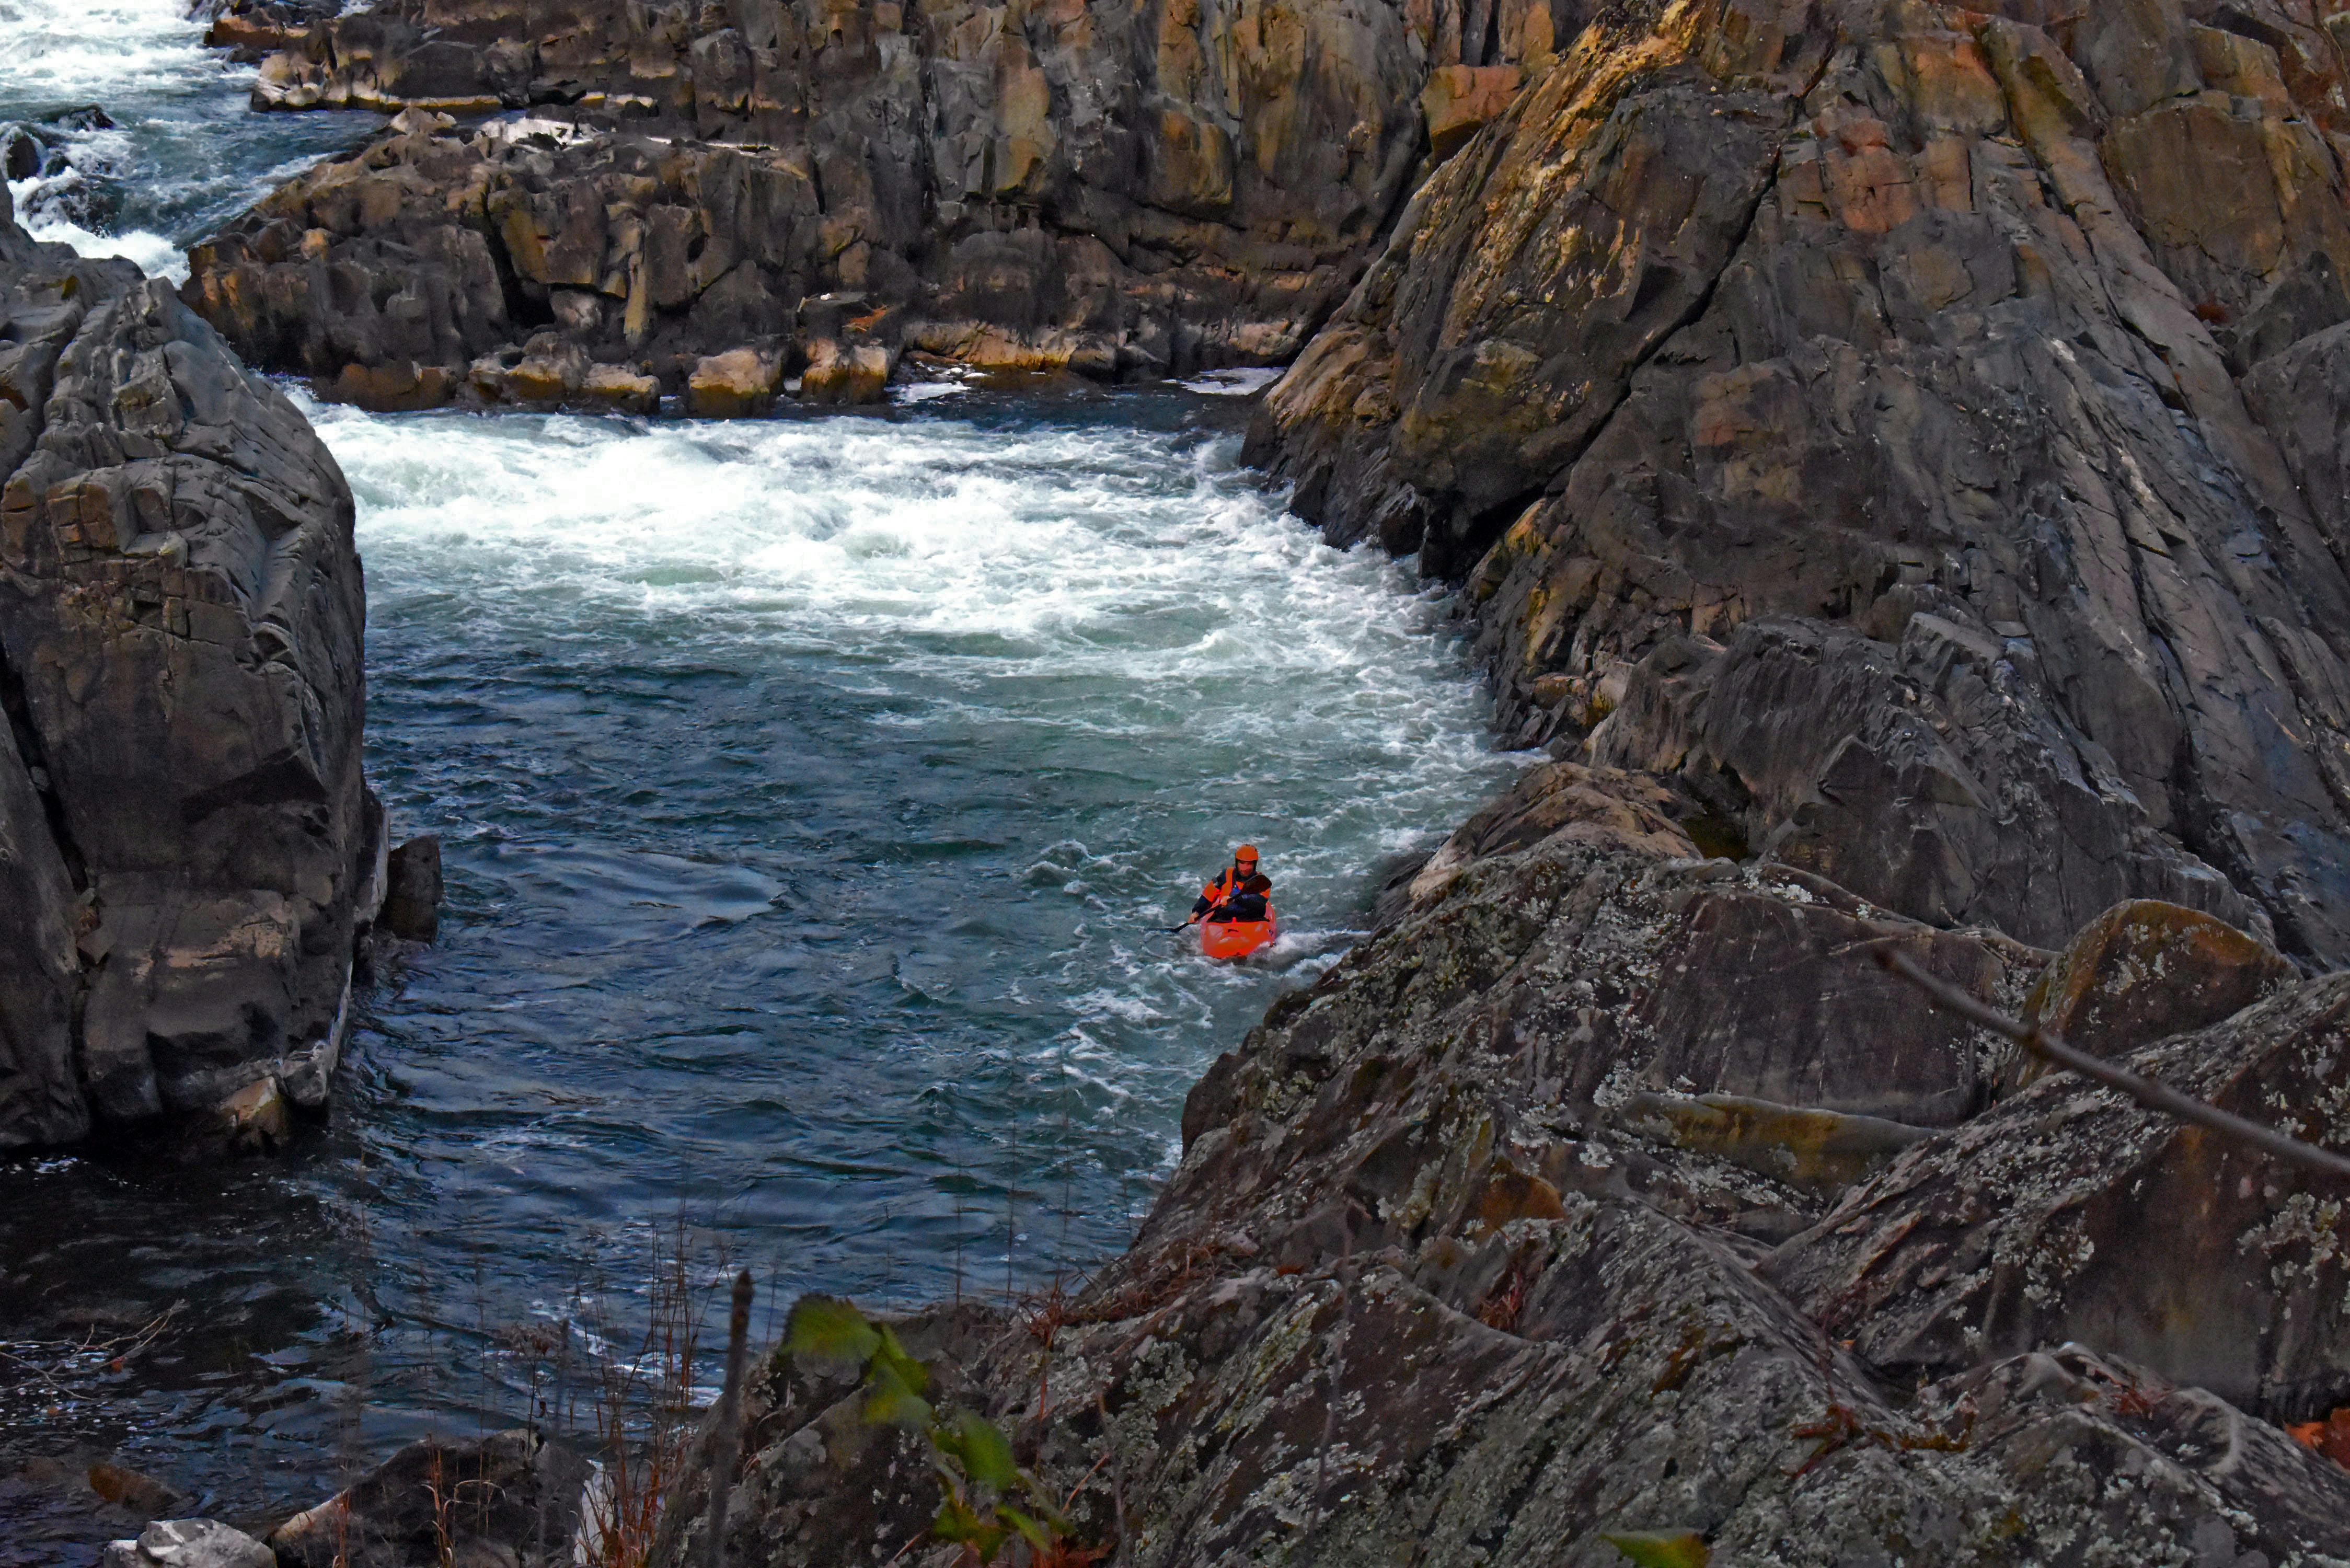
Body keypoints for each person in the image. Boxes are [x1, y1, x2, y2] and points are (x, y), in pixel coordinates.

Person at [1191, 845, 1272, 925]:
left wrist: (1235, 899)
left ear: (1255, 865)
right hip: (1223, 920)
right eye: (1242, 863)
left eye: (1249, 864)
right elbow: (1207, 896)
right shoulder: (1225, 875)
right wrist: (1197, 912)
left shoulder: (1262, 881)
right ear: (1237, 862)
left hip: (1252, 920)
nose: (1245, 868)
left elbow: (1258, 903)